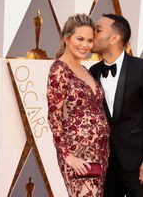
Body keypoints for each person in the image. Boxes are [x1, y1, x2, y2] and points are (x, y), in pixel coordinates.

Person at [90, 14, 143, 197]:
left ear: (115, 37)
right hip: (104, 165)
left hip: (138, 164)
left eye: (98, 30)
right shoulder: (93, 72)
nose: (92, 34)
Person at [47, 13, 109, 197]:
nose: (85, 45)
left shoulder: (85, 70)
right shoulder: (59, 70)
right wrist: (68, 156)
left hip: (101, 152)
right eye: (80, 39)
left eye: (90, 40)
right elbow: (54, 116)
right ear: (67, 38)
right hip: (78, 153)